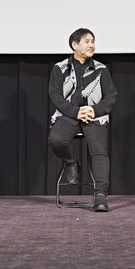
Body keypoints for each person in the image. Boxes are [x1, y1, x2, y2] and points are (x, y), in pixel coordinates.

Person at [48, 28, 117, 212]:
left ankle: (100, 195)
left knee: (98, 150)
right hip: (69, 114)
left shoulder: (101, 69)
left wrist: (94, 110)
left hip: (94, 116)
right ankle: (71, 163)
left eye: (93, 41)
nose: (91, 45)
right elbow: (55, 95)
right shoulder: (60, 68)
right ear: (74, 45)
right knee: (56, 140)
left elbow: (111, 97)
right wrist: (75, 112)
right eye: (87, 41)